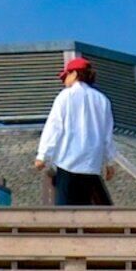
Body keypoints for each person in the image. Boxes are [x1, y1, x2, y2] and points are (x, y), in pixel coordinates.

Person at [33, 53, 117, 206]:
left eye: (66, 75)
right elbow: (107, 134)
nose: (64, 80)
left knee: (65, 210)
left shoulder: (66, 96)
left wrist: (43, 155)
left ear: (75, 74)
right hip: (92, 163)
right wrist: (109, 162)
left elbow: (54, 126)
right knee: (85, 209)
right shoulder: (103, 100)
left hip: (67, 161)